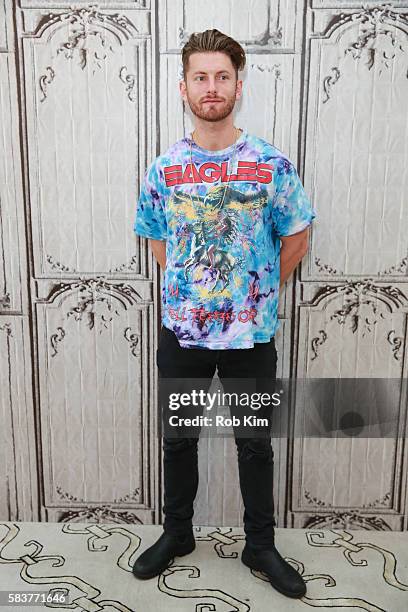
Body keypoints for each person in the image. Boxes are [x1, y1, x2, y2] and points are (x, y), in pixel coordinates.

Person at [132, 29, 316, 599]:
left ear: (240, 84)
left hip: (251, 336)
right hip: (182, 334)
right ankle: (177, 534)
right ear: (183, 86)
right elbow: (157, 238)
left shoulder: (270, 163)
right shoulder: (165, 167)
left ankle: (259, 545)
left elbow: (298, 235)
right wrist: (193, 287)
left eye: (222, 76)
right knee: (179, 439)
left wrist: (255, 292)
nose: (211, 88)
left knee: (255, 443)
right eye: (200, 77)